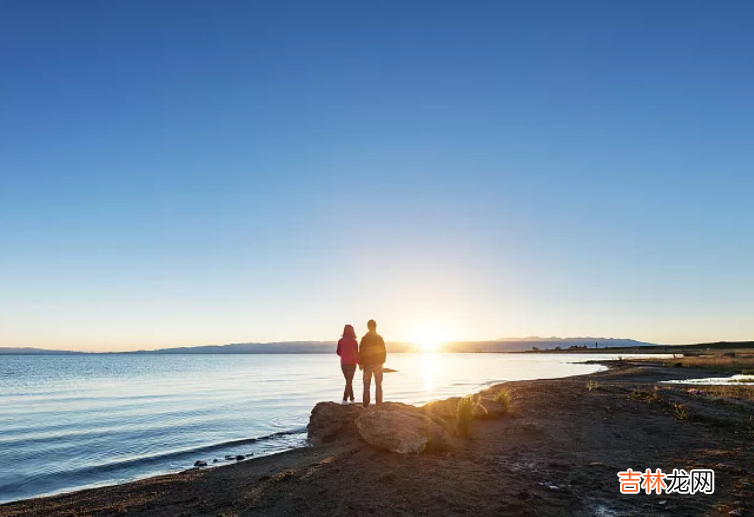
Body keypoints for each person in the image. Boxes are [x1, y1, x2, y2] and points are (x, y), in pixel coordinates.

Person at [358, 319, 386, 407]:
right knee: (378, 385)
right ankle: (379, 404)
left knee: (366, 385)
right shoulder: (379, 338)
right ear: (375, 326)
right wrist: (382, 361)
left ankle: (366, 405)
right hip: (378, 364)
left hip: (367, 364)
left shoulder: (364, 338)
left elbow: (361, 351)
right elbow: (383, 351)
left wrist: (361, 364)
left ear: (368, 327)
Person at [336, 324, 358, 404]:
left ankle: (352, 399)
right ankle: (345, 399)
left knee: (348, 381)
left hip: (343, 364)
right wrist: (359, 363)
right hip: (352, 364)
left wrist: (344, 355)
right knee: (349, 382)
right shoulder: (354, 341)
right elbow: (356, 353)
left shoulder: (340, 341)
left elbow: (338, 352)